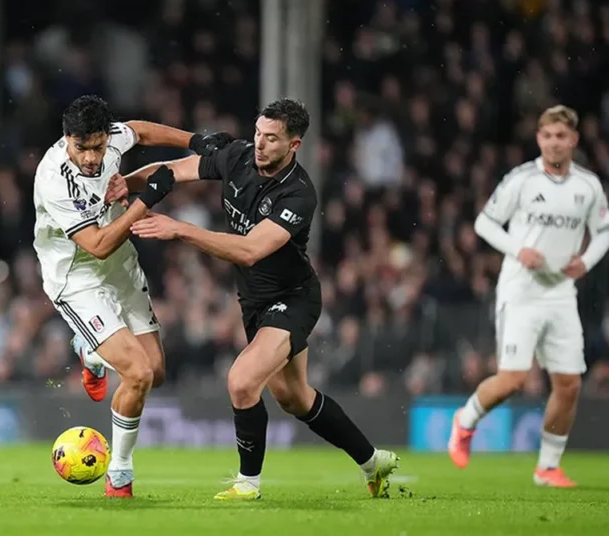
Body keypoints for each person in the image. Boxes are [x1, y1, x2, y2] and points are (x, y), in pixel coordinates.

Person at [122, 99, 399, 500]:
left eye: (271, 138)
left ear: (294, 145)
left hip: (294, 298)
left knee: (241, 381)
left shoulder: (299, 194)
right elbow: (171, 171)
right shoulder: (236, 156)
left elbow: (251, 250)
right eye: (257, 134)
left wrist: (180, 230)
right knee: (295, 398)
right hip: (254, 301)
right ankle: (374, 463)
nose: (260, 144)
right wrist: (126, 183)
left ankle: (247, 484)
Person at [32, 95, 194, 497]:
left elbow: (140, 130)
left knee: (153, 372)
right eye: (81, 147)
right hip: (77, 277)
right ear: (66, 139)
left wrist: (197, 141)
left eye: (98, 147)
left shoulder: (113, 140)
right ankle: (120, 474)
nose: (90, 157)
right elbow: (97, 245)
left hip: (120, 265)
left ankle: (92, 350)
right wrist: (146, 200)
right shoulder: (54, 179)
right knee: (136, 373)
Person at [449, 104, 609, 487]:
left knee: (569, 383)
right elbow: (484, 222)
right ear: (539, 139)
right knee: (513, 379)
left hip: (561, 293)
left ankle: (547, 467)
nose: (555, 142)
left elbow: (604, 231)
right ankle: (465, 419)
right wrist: (518, 249)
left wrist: (585, 262)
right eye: (548, 135)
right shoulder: (521, 180)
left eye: (561, 136)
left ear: (573, 140)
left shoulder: (587, 186)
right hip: (520, 290)